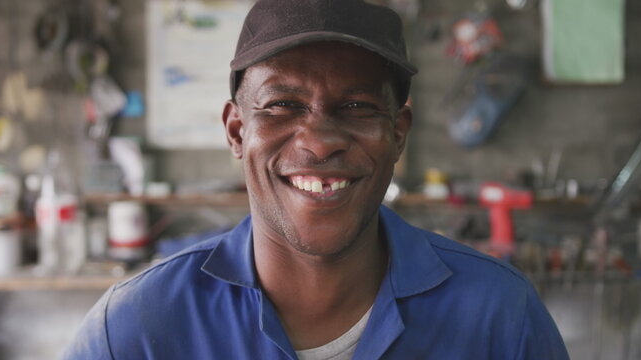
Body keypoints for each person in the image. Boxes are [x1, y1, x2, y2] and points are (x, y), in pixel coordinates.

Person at [64, 0, 569, 359]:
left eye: (357, 106)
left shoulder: (500, 316)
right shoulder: (138, 328)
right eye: (282, 105)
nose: (320, 140)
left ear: (398, 134)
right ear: (238, 131)